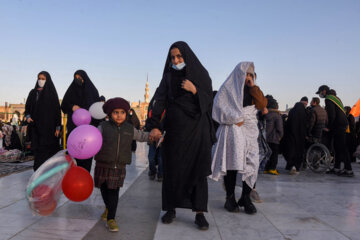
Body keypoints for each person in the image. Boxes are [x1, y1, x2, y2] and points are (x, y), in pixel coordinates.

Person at [147, 41, 216, 230]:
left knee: (198, 171)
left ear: (187, 56)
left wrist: (195, 90)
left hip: (197, 132)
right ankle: (170, 208)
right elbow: (159, 100)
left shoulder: (201, 75)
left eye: (179, 56)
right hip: (176, 131)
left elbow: (209, 101)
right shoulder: (168, 77)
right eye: (173, 57)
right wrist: (154, 126)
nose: (176, 60)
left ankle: (200, 213)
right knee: (172, 170)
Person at [211, 62, 267, 214]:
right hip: (233, 129)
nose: (248, 77)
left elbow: (262, 105)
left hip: (250, 129)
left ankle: (246, 197)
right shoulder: (228, 89)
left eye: (251, 75)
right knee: (233, 164)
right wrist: (235, 118)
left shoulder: (254, 90)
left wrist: (253, 87)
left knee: (252, 163)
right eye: (246, 74)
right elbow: (218, 107)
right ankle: (230, 198)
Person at [94, 97, 153, 232]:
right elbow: (92, 139)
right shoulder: (103, 127)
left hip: (119, 166)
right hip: (103, 164)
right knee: (104, 188)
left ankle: (111, 218)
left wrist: (153, 136)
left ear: (126, 114)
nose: (119, 115)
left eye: (122, 112)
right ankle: (108, 207)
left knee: (114, 191)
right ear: (109, 114)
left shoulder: (129, 128)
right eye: (115, 112)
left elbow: (142, 136)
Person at [61, 70, 100, 172]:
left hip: (88, 132)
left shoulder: (92, 91)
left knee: (86, 157)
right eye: (75, 77)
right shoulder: (71, 90)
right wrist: (72, 106)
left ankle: (84, 177)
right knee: (74, 158)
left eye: (80, 77)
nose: (77, 79)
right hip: (74, 129)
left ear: (85, 78)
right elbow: (64, 105)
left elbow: (96, 110)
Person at [24, 71, 61, 170]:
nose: (40, 81)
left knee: (48, 152)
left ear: (47, 80)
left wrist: (58, 127)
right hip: (35, 127)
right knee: (38, 152)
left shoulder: (52, 94)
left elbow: (57, 111)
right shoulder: (33, 93)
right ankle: (37, 173)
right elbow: (27, 108)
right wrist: (28, 116)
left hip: (49, 128)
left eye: (43, 79)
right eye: (39, 78)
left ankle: (47, 175)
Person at [316, 85, 353, 176]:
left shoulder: (328, 99)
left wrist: (329, 127)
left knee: (342, 147)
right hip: (342, 124)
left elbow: (332, 115)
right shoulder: (336, 98)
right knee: (337, 147)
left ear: (324, 91)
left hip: (338, 125)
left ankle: (349, 170)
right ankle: (336, 168)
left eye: (320, 92)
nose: (320, 94)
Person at [282, 97, 308, 174]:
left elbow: (288, 123)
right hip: (301, 136)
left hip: (291, 135)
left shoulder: (292, 111)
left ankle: (290, 165)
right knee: (298, 151)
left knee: (290, 150)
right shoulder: (304, 112)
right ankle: (296, 167)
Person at [264, 95, 283, 175]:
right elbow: (279, 128)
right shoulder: (277, 115)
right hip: (274, 138)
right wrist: (280, 136)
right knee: (274, 154)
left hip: (266, 138)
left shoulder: (265, 115)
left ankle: (266, 168)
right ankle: (272, 168)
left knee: (267, 154)